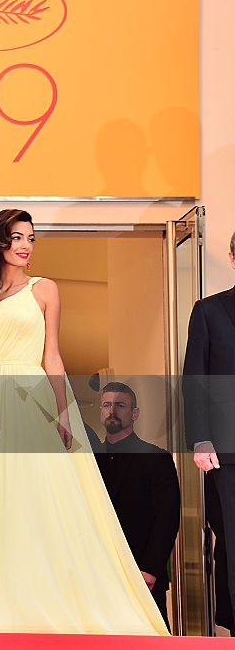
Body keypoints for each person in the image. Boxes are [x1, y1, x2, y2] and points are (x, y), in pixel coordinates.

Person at [0, 209, 167, 634]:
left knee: (38, 500)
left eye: (31, 238)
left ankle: (53, 600)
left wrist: (63, 414)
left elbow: (52, 356)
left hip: (30, 399)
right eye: (16, 237)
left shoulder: (44, 289)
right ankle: (4, 607)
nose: (26, 245)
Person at [95, 382, 181, 629]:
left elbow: (167, 517)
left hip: (143, 575)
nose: (112, 411)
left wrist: (151, 569)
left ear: (134, 413)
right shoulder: (90, 461)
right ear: (101, 412)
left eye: (120, 405)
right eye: (107, 405)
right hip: (99, 572)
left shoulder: (156, 458)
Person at [185, 228, 235, 629]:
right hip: (227, 451)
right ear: (233, 259)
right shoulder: (209, 311)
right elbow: (195, 379)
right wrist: (200, 439)